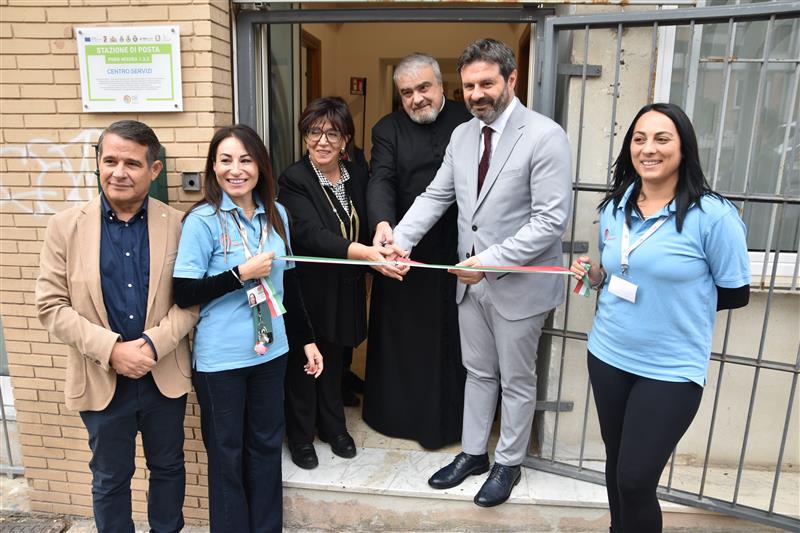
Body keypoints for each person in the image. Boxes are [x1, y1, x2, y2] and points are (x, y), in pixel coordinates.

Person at [388, 39, 572, 507]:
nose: (476, 94)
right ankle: (473, 453)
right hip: (470, 285)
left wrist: (488, 261)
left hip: (519, 285)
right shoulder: (463, 135)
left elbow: (550, 222)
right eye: (468, 86)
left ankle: (509, 462)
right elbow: (435, 196)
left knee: (516, 378)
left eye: (486, 83)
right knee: (477, 372)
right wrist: (398, 241)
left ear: (512, 79)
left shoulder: (546, 135)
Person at [569, 103, 750, 533]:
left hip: (671, 368)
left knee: (635, 479)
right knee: (617, 467)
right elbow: (619, 272)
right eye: (639, 138)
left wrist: (674, 308)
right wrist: (595, 276)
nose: (648, 149)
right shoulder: (616, 207)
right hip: (608, 354)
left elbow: (736, 293)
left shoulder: (714, 216)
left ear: (684, 148)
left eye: (662, 139)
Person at [35, 120, 198, 533]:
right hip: (100, 378)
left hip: (162, 375)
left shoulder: (180, 226)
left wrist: (151, 345)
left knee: (168, 468)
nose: (118, 172)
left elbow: (192, 302)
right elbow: (51, 306)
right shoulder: (65, 227)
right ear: (97, 163)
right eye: (109, 160)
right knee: (110, 479)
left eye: (131, 162)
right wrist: (112, 350)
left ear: (154, 170)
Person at [172, 124, 323, 532]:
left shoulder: (278, 214)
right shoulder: (202, 221)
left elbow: (290, 282)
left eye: (245, 159)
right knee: (227, 456)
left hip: (271, 353)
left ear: (260, 165)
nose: (235, 169)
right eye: (225, 160)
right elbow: (184, 291)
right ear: (213, 167)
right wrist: (241, 273)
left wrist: (306, 340)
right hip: (221, 361)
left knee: (266, 447)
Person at [278, 97, 401, 469]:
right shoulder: (294, 178)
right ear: (304, 136)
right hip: (308, 288)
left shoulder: (356, 175)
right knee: (305, 365)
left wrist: (383, 243)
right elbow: (308, 233)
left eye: (332, 132)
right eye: (314, 132)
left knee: (334, 362)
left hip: (345, 288)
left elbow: (368, 218)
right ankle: (300, 437)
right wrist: (363, 252)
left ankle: (333, 427)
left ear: (346, 138)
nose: (323, 141)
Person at [363, 53, 471, 449]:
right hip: (403, 250)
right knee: (405, 340)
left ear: (441, 86)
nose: (416, 99)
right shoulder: (386, 129)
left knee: (455, 340)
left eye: (424, 88)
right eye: (407, 92)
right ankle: (397, 415)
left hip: (459, 249)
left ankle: (453, 422)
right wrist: (382, 225)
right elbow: (381, 180)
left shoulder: (469, 121)